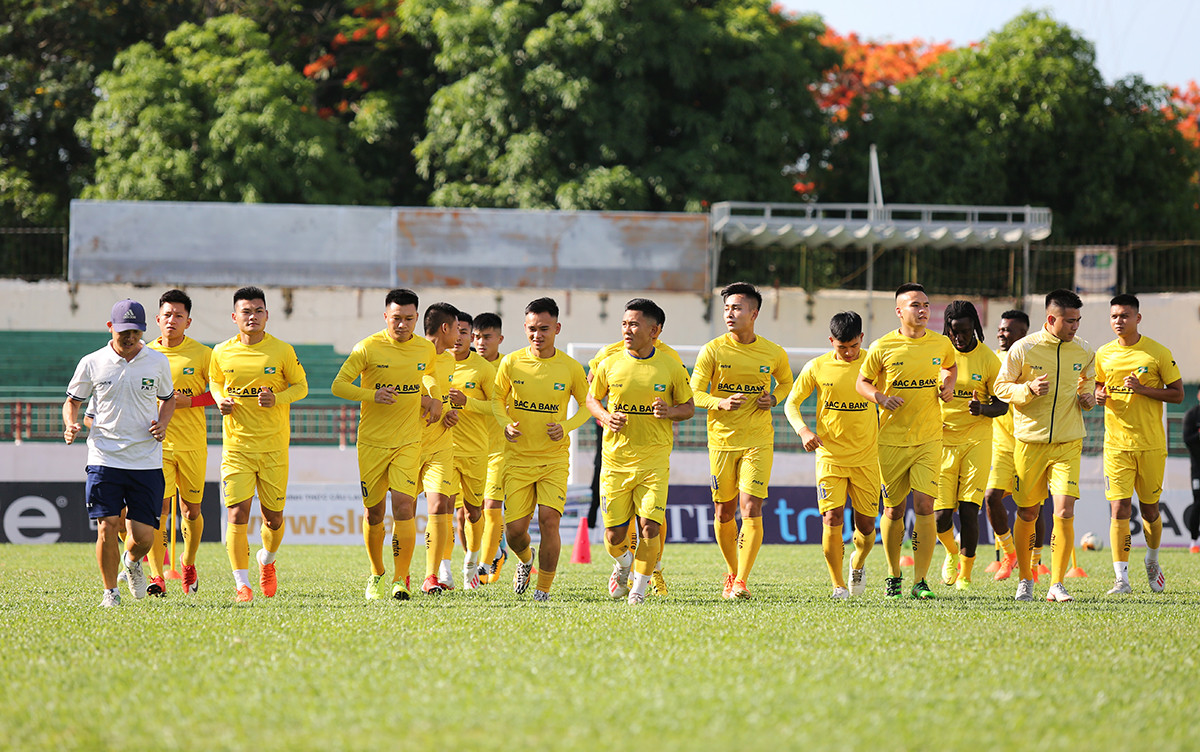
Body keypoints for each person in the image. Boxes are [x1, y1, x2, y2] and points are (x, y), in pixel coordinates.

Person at [64, 299, 175, 607]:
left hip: (146, 459)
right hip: (104, 457)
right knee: (107, 525)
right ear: (110, 327)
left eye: (136, 332)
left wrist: (163, 423)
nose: (130, 338)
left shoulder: (157, 361)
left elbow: (168, 399)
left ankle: (132, 560)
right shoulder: (92, 361)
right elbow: (72, 401)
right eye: (124, 331)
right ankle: (110, 593)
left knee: (143, 537)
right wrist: (71, 423)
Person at [331, 288, 439, 601]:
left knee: (404, 506)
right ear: (385, 317)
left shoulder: (425, 349)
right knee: (373, 513)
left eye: (408, 319)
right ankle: (376, 573)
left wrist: (431, 396)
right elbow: (338, 385)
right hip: (372, 443)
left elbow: (429, 374)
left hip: (408, 440)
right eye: (396, 319)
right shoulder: (367, 348)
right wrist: (372, 395)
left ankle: (400, 578)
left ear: (417, 318)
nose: (402, 324)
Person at [586, 299, 694, 605]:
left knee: (650, 527)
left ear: (654, 330)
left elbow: (689, 408)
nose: (627, 330)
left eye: (634, 324)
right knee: (613, 537)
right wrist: (606, 416)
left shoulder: (671, 365)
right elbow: (591, 399)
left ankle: (639, 589)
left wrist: (669, 410)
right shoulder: (609, 362)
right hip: (616, 462)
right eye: (624, 324)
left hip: (654, 461)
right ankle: (623, 564)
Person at [690, 282, 793, 600]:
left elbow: (788, 381)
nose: (729, 314)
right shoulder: (713, 350)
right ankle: (732, 572)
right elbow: (693, 393)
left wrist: (774, 398)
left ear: (754, 313)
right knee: (723, 511)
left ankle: (741, 581)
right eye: (726, 308)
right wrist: (717, 403)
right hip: (721, 441)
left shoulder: (773, 352)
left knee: (751, 507)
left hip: (758, 440)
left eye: (736, 308)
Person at [994, 289, 1096, 603]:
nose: (1075, 327)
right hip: (1029, 443)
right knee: (1027, 512)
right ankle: (1026, 579)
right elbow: (1000, 388)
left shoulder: (1084, 350)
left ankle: (1057, 583)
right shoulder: (1023, 349)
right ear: (1051, 319)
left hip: (1068, 441)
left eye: (1078, 321)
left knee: (1064, 511)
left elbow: (1088, 379)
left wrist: (1088, 397)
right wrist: (1027, 389)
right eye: (1069, 321)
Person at [856, 283, 957, 600]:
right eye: (915, 305)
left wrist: (948, 384)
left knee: (926, 505)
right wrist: (880, 398)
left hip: (928, 438)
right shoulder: (882, 346)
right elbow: (862, 382)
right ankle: (893, 575)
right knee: (894, 510)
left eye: (926, 304)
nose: (923, 310)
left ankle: (921, 581)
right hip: (890, 440)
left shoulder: (940, 344)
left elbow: (950, 367)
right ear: (899, 311)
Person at [209, 287, 308, 603]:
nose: (252, 316)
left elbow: (302, 387)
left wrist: (277, 398)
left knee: (273, 519)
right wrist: (219, 399)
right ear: (235, 316)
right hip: (236, 448)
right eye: (246, 311)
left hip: (273, 449)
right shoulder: (221, 351)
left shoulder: (281, 350)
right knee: (237, 514)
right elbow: (214, 381)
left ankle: (267, 559)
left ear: (267, 314)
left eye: (259, 311)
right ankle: (242, 585)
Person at [492, 297, 590, 601]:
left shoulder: (570, 368)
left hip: (553, 459)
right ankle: (525, 560)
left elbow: (589, 405)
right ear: (525, 328)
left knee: (549, 519)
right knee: (515, 532)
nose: (538, 335)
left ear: (557, 328)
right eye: (532, 329)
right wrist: (506, 422)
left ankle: (543, 590)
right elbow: (497, 399)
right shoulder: (511, 362)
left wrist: (567, 426)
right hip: (518, 459)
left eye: (544, 328)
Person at [785, 311, 879, 599]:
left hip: (866, 458)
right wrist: (803, 431)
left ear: (862, 338)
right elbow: (792, 404)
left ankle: (857, 563)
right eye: (842, 347)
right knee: (831, 518)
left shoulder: (874, 365)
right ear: (831, 341)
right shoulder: (817, 367)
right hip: (830, 458)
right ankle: (838, 585)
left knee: (865, 527)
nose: (849, 352)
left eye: (853, 345)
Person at [1094, 294, 1183, 594]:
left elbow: (1178, 394)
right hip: (1116, 446)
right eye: (1114, 316)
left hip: (1151, 446)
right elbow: (1097, 383)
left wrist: (1143, 389)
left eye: (1125, 316)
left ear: (1138, 318)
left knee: (1149, 511)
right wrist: (1098, 395)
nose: (1119, 321)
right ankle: (1122, 579)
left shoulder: (1157, 353)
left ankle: (1152, 560)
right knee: (1118, 509)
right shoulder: (1103, 354)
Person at [146, 289, 215, 595]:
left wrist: (191, 401)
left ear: (188, 321)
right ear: (157, 319)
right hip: (156, 444)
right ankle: (156, 576)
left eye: (178, 316)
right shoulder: (144, 354)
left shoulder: (203, 354)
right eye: (167, 315)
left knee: (191, 511)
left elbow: (218, 394)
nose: (172, 320)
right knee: (156, 508)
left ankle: (188, 563)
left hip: (192, 444)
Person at [935, 301, 1005, 591]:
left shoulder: (989, 360)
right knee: (940, 517)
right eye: (954, 333)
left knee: (968, 510)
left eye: (965, 332)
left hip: (977, 439)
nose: (960, 338)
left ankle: (965, 575)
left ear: (975, 327)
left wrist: (982, 410)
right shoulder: (937, 354)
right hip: (940, 439)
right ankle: (952, 550)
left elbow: (1002, 406)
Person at [982, 310, 1036, 582]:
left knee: (1033, 505)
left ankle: (1035, 565)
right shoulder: (991, 360)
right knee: (991, 497)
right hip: (1001, 446)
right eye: (1001, 329)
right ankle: (1009, 554)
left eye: (1008, 330)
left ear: (1022, 335)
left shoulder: (1034, 360)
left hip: (1031, 443)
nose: (1002, 334)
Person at [449, 309, 497, 590]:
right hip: (443, 449)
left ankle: (472, 561)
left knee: (473, 512)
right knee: (444, 509)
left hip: (477, 450)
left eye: (464, 332)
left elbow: (496, 406)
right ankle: (442, 572)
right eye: (456, 331)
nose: (459, 337)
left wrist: (467, 402)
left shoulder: (483, 369)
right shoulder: (435, 364)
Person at [417, 302, 462, 594]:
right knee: (404, 509)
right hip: (407, 442)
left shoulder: (450, 360)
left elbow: (441, 396)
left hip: (441, 444)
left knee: (438, 505)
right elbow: (400, 388)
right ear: (445, 328)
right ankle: (400, 575)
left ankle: (432, 575)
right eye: (457, 328)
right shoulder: (412, 353)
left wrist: (447, 411)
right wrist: (425, 402)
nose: (459, 335)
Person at [471, 312, 509, 583]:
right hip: (468, 449)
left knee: (492, 506)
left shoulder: (509, 367)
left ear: (499, 338)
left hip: (501, 449)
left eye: (486, 337)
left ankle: (483, 566)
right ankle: (494, 551)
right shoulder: (463, 365)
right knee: (467, 514)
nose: (480, 342)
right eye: (476, 337)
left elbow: (502, 407)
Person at [1182, 389, 1200, 553]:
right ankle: (1194, 541)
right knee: (1198, 503)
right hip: (1198, 469)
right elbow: (1187, 439)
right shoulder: (1192, 415)